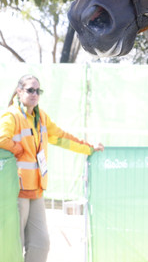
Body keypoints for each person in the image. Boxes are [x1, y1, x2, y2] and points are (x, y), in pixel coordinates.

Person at [0, 74, 104, 262]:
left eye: (38, 91)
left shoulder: (41, 117)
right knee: (14, 247)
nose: (34, 94)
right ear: (19, 91)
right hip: (17, 190)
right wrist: (18, 149)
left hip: (37, 190)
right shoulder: (12, 115)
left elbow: (62, 138)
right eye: (30, 90)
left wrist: (89, 148)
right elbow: (1, 138)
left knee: (41, 245)